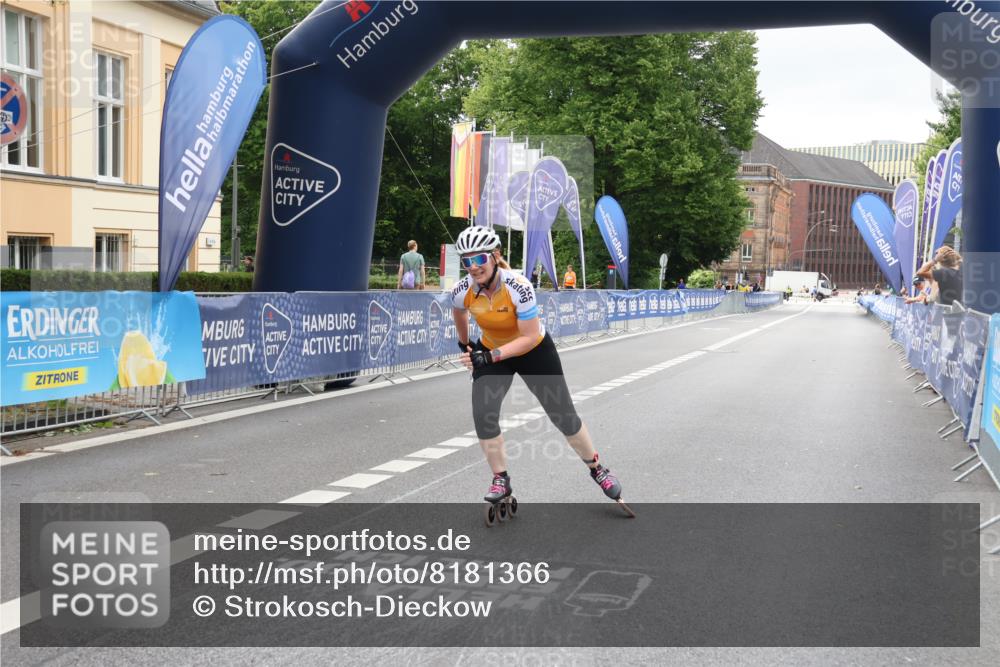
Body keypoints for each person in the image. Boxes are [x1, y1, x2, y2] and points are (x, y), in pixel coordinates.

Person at [449, 226, 628, 511]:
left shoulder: (518, 286)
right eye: (466, 261)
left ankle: (597, 468)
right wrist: (465, 344)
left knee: (563, 416)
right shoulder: (464, 289)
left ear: (495, 256)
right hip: (492, 352)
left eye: (479, 259)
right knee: (483, 414)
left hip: (533, 351)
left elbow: (529, 337)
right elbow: (457, 310)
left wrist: (490, 356)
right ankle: (500, 479)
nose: (472, 267)